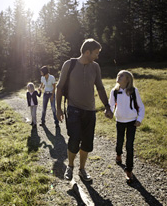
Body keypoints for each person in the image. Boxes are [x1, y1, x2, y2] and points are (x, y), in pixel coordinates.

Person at [56, 38, 113, 181]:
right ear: (87, 52)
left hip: (90, 111)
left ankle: (82, 169)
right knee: (74, 140)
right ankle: (70, 166)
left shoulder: (95, 67)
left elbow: (100, 87)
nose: (97, 56)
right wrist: (58, 109)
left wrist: (107, 106)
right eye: (96, 53)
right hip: (73, 109)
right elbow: (60, 87)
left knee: (87, 143)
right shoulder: (69, 64)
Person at [109, 70, 145, 183]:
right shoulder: (114, 91)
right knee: (119, 141)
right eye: (118, 75)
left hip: (132, 122)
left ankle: (129, 170)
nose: (118, 77)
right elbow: (110, 106)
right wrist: (108, 112)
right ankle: (118, 154)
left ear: (128, 79)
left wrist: (139, 119)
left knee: (129, 145)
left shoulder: (134, 91)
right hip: (119, 121)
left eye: (121, 76)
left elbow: (141, 107)